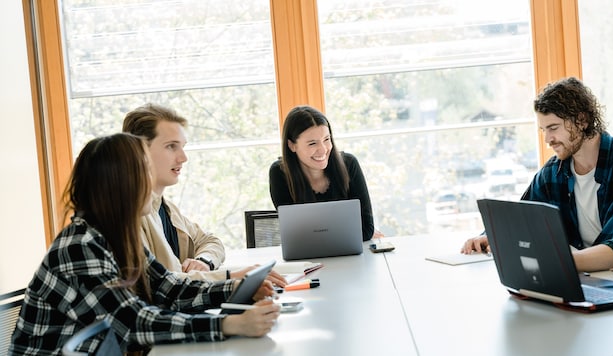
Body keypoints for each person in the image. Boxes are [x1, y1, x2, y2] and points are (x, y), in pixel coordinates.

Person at [9, 133, 280, 355]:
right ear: (123, 185)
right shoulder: (79, 245)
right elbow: (133, 322)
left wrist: (235, 289)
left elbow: (168, 288)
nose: (152, 184)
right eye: (146, 173)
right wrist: (229, 324)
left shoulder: (116, 234)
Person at [461, 77, 613, 278]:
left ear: (582, 121)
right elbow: (524, 218)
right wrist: (490, 237)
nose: (547, 139)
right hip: (583, 278)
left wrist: (556, 261)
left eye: (553, 128)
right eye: (543, 130)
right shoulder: (554, 172)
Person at [123, 104, 286, 286]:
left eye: (182, 147)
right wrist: (233, 277)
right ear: (139, 151)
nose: (183, 157)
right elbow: (166, 287)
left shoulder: (167, 208)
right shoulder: (131, 215)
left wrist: (204, 262)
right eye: (171, 146)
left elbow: (211, 241)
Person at [269, 105, 382, 241]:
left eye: (327, 140)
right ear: (292, 145)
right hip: (307, 259)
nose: (323, 150)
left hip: (349, 256)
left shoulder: (349, 164)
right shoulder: (280, 173)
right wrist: (348, 233)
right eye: (312, 143)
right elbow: (296, 237)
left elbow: (366, 229)